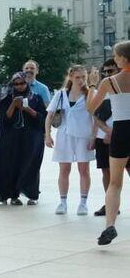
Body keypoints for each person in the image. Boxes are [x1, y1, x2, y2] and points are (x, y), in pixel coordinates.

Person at [85, 41, 130, 244]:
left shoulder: (109, 81)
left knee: (115, 183)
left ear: (123, 58)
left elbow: (91, 108)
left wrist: (92, 85)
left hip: (121, 130)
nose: (114, 59)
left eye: (116, 56)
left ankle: (110, 225)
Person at [0, 72, 48, 205]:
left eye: (22, 83)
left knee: (31, 165)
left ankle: (32, 195)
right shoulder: (6, 99)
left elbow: (42, 118)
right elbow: (5, 119)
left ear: (27, 83)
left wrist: (27, 109)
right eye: (16, 84)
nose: (19, 86)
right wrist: (13, 105)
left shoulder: (36, 98)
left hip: (31, 138)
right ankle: (13, 195)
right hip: (12, 139)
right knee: (12, 165)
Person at [45, 64, 96, 216]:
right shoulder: (61, 94)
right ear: (71, 77)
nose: (81, 80)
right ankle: (63, 202)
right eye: (78, 77)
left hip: (83, 136)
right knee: (64, 169)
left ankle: (83, 203)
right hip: (64, 135)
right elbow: (49, 115)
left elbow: (95, 117)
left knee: (84, 170)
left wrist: (94, 137)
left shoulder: (90, 93)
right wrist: (47, 134)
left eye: (84, 77)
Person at [92, 59, 119, 217]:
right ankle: (110, 204)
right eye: (105, 72)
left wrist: (114, 134)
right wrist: (107, 131)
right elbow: (94, 115)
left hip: (123, 137)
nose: (107, 75)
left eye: (111, 71)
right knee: (106, 171)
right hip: (103, 138)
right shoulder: (101, 91)